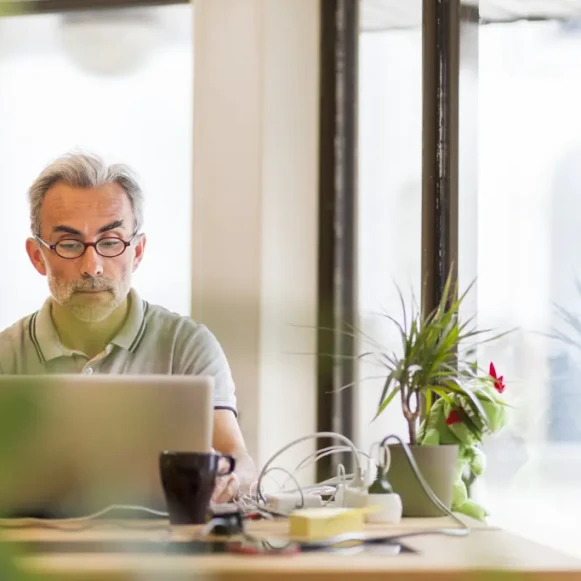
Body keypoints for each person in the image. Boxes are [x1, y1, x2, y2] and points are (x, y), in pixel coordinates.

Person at [0, 151, 256, 503]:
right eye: (70, 244)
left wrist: (229, 478)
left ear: (137, 251)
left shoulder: (187, 345)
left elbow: (237, 459)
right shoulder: (6, 354)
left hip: (165, 548)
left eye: (110, 243)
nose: (93, 267)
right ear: (36, 256)